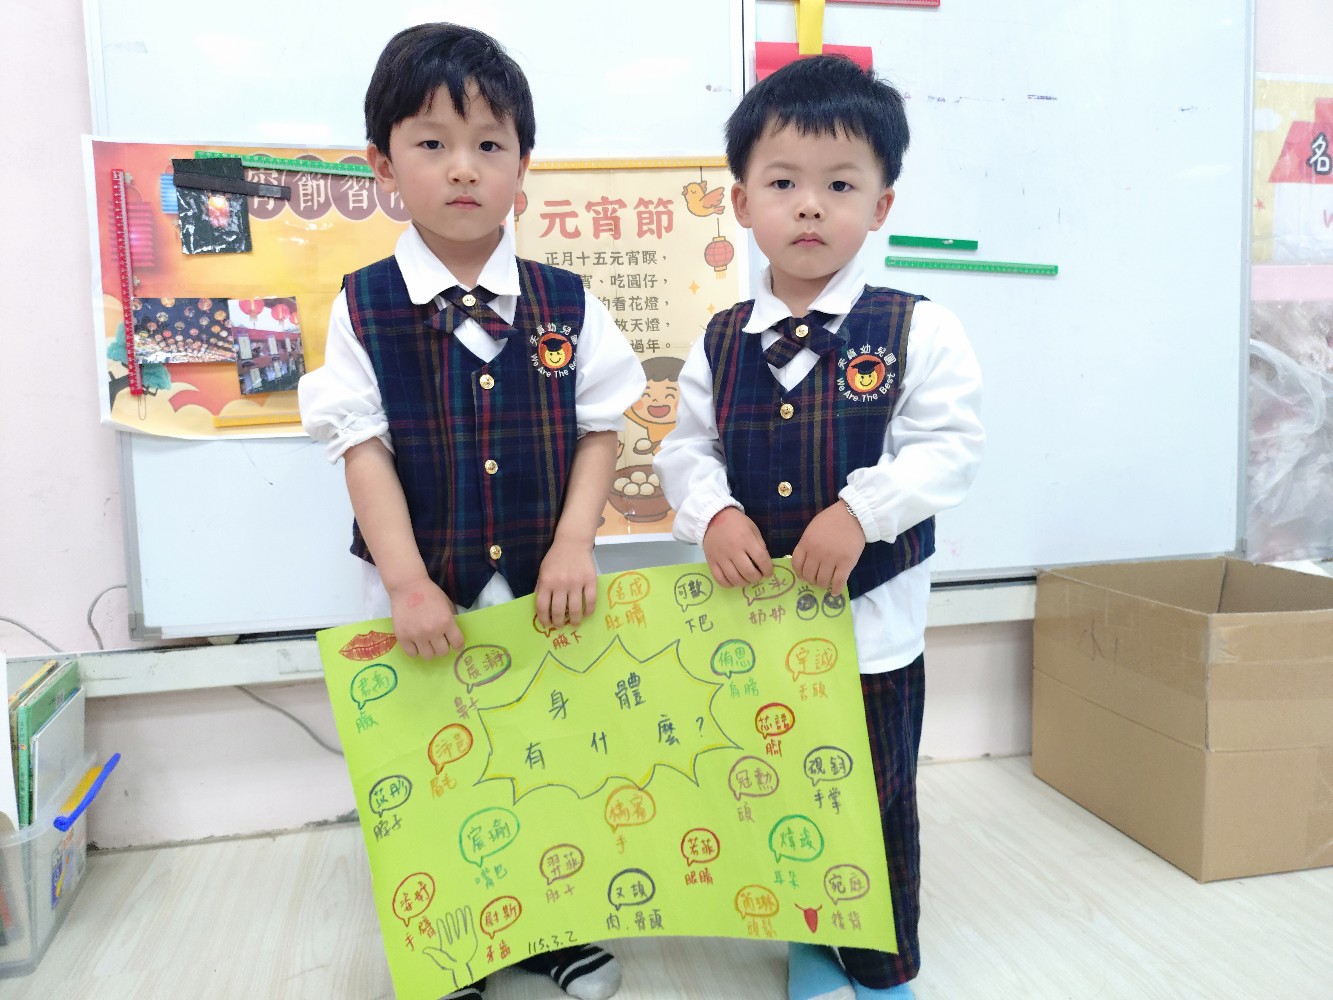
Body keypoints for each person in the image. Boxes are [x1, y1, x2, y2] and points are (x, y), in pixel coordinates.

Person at [299, 23, 644, 1000]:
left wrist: (575, 540)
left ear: (522, 168)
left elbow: (600, 429)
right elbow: (361, 449)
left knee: (546, 755)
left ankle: (551, 926)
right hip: (416, 588)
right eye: (432, 142)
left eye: (489, 144)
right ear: (383, 165)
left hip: (544, 584)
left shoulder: (567, 302)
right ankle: (453, 944)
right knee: (434, 767)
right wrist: (407, 582)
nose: (463, 167)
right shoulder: (363, 305)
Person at [654, 54, 984, 1000]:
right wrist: (712, 511)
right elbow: (686, 449)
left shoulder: (920, 328)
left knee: (875, 797)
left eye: (839, 185)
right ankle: (807, 935)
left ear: (880, 205)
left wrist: (860, 512)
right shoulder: (721, 339)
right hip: (755, 628)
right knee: (777, 788)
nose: (809, 206)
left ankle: (880, 969)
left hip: (872, 631)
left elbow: (948, 449)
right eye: (782, 184)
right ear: (740, 202)